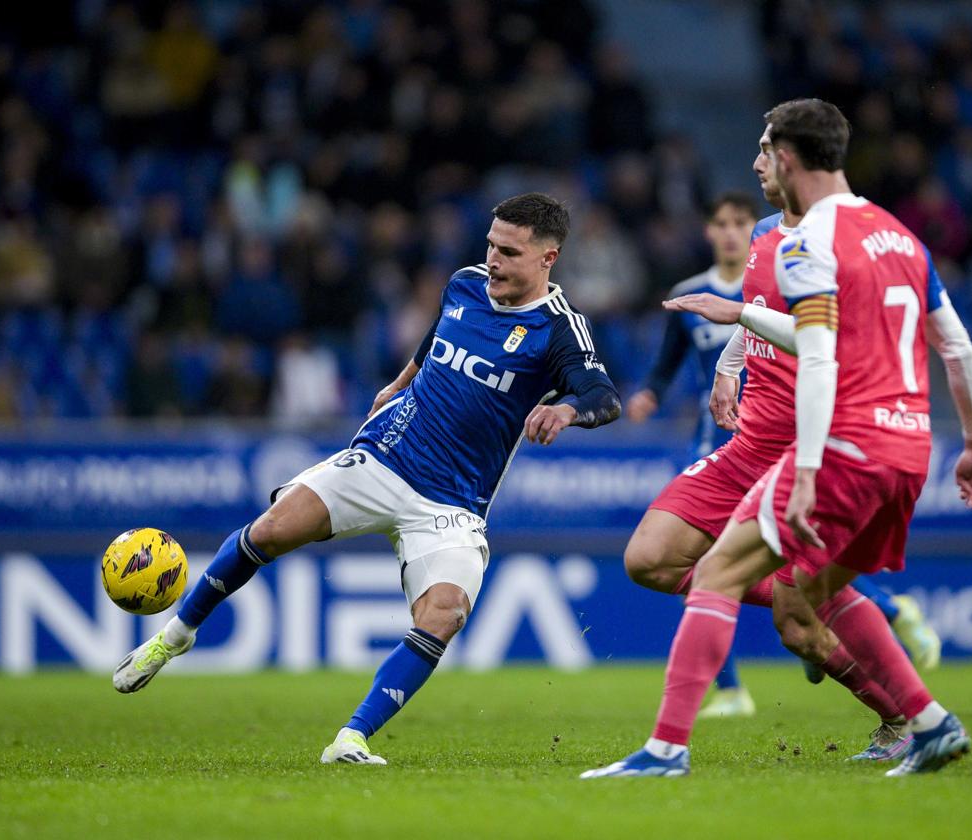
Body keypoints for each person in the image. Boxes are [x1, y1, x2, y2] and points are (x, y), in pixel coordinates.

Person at [112, 193, 622, 765]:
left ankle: (350, 739)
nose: (493, 260)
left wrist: (566, 411)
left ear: (548, 258)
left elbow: (604, 397)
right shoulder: (466, 283)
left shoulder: (559, 329)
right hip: (386, 455)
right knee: (274, 529)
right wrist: (400, 380)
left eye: (508, 251)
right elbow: (435, 339)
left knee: (445, 614)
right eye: (490, 245)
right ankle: (174, 636)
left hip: (451, 503)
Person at [586, 98, 972, 778]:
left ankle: (666, 751)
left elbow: (819, 350)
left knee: (728, 579)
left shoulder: (810, 242)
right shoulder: (897, 236)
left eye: (763, 150)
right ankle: (927, 720)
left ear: (787, 157)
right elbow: (956, 347)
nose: (755, 164)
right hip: (900, 446)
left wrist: (806, 464)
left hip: (835, 441)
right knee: (670, 561)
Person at [626, 192, 758, 718]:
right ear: (708, 231)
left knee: (775, 547)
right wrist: (649, 394)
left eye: (739, 223)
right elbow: (666, 363)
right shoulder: (688, 295)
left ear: (754, 228)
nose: (729, 232)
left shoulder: (769, 287)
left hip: (769, 437)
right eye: (720, 223)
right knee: (701, 557)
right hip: (713, 440)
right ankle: (730, 689)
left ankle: (876, 610)